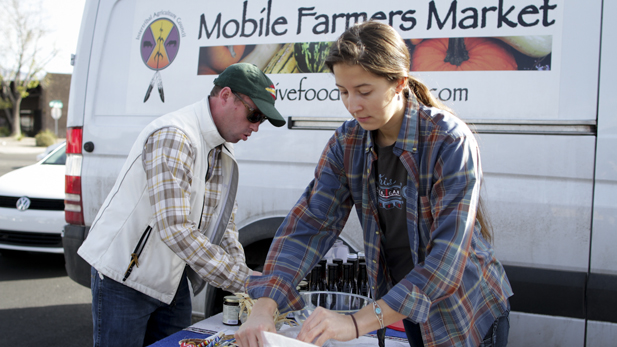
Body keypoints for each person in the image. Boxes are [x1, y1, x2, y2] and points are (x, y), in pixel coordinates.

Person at [235, 22, 513, 347]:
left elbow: (447, 261)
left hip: (466, 313)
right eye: (343, 91)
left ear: (399, 83)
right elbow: (308, 225)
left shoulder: (449, 140)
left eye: (364, 91)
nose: (353, 105)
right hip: (405, 310)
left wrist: (355, 323)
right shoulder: (347, 143)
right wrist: (265, 304)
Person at [77, 63, 286, 347]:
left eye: (261, 119)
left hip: (172, 280)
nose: (256, 127)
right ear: (225, 95)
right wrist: (246, 280)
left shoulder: (221, 144)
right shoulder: (175, 136)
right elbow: (175, 228)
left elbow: (224, 224)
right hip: (124, 279)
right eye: (255, 114)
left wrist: (244, 275)